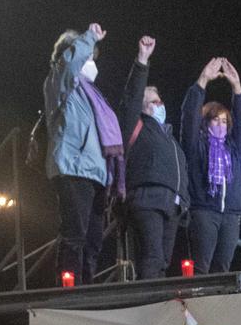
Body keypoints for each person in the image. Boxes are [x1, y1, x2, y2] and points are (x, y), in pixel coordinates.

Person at [43, 22, 129, 283]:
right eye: (87, 54)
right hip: (73, 168)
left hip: (97, 175)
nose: (91, 60)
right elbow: (70, 65)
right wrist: (89, 37)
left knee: (93, 241)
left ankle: (87, 291)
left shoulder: (93, 94)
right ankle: (68, 291)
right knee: (75, 235)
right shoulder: (60, 83)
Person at [180, 56, 241, 274]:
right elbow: (189, 118)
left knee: (223, 268)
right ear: (206, 122)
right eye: (215, 120)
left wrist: (237, 88)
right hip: (204, 210)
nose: (221, 125)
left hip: (231, 213)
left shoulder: (233, 148)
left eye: (224, 121)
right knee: (201, 267)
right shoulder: (197, 145)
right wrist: (202, 80)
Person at [122, 40, 189, 281]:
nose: (159, 104)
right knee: (151, 256)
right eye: (153, 101)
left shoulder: (169, 137)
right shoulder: (136, 125)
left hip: (171, 203)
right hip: (146, 198)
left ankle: (159, 309)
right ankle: (148, 310)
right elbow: (131, 98)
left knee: (163, 261)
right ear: (142, 107)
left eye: (160, 100)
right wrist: (142, 60)